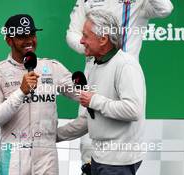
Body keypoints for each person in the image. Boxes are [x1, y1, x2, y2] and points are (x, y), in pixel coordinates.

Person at [66, 0, 173, 172]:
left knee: (121, 145)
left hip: (125, 77)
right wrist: (93, 46)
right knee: (89, 138)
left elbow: (165, 8)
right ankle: (88, 168)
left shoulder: (140, 2)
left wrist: (109, 52)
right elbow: (72, 34)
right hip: (95, 70)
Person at [0, 14, 77, 175]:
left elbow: (86, 97)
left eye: (32, 34)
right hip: (13, 156)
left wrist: (58, 135)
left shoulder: (53, 68)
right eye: (22, 36)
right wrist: (21, 92)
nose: (29, 40)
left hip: (47, 157)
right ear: (9, 40)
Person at [57, 10, 146, 175]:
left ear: (103, 39)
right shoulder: (95, 65)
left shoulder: (126, 65)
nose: (81, 41)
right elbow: (88, 119)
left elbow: (133, 110)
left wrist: (94, 100)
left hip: (118, 162)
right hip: (100, 158)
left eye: (85, 36)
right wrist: (53, 136)